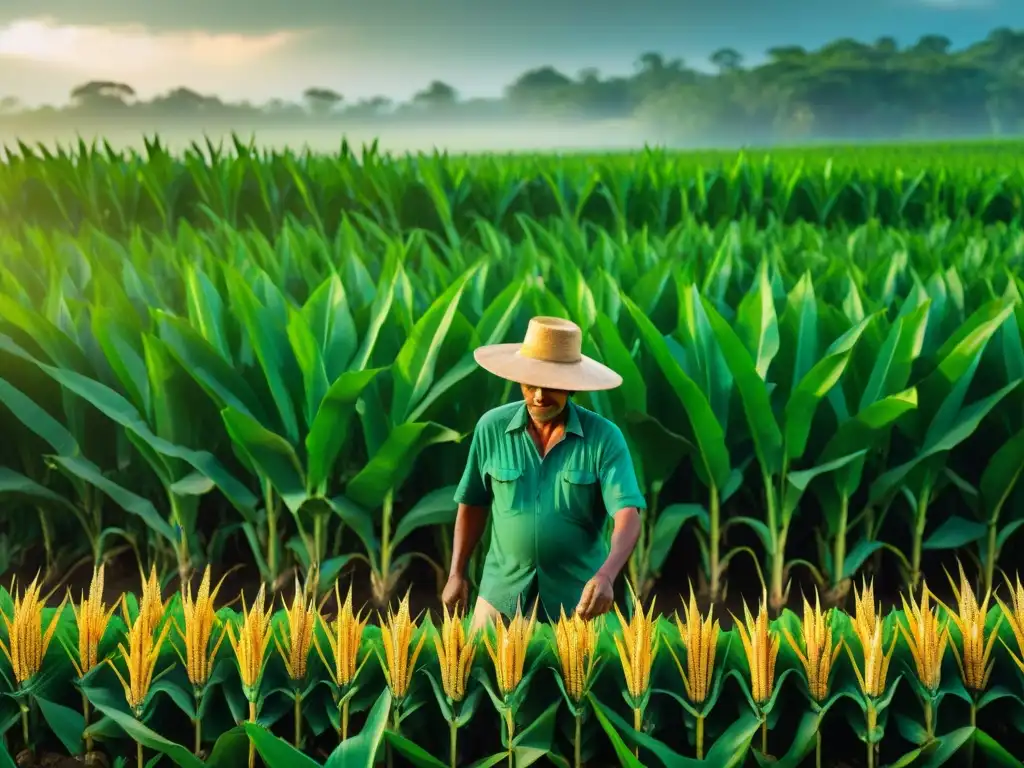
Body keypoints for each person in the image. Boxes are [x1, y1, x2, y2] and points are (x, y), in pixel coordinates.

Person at [442, 315, 644, 634]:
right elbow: (472, 505)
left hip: (578, 604)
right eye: (530, 382)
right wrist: (457, 572)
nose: (538, 395)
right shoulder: (491, 428)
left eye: (550, 385)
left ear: (572, 385)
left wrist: (607, 575)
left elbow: (627, 515)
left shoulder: (605, 437)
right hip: (501, 597)